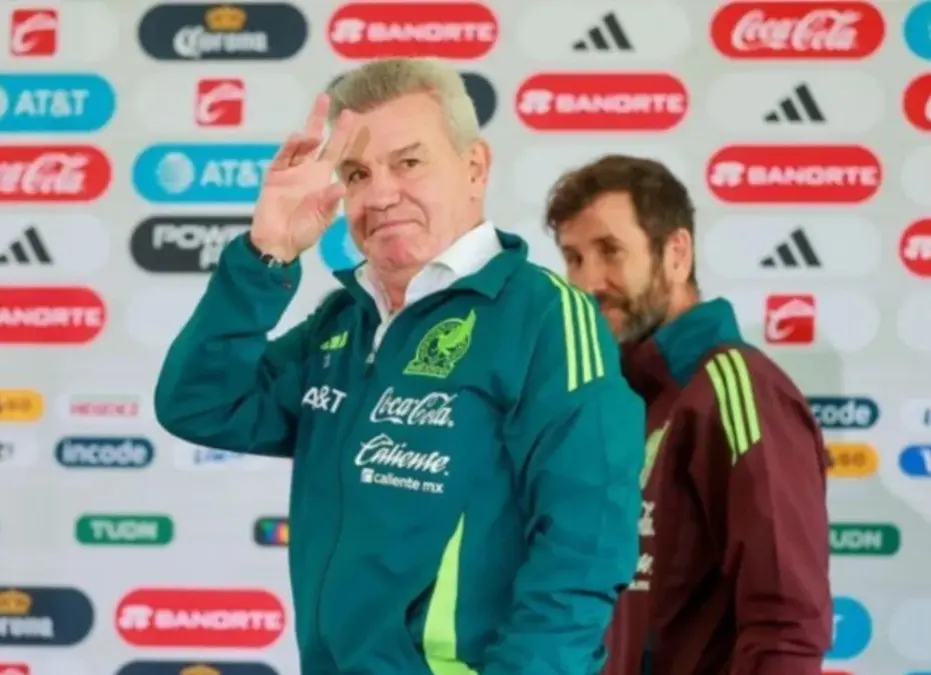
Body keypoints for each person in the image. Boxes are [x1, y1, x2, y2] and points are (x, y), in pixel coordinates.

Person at [154, 59, 646, 675]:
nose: (381, 195)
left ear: (475, 167)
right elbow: (200, 405)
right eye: (357, 174)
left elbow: (587, 546)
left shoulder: (545, 316)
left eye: (408, 162)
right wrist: (265, 253)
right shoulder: (344, 321)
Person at [543, 155, 832, 675]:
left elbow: (785, 624)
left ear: (676, 253)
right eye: (574, 258)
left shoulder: (737, 386)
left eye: (610, 251)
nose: (589, 282)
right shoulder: (614, 399)